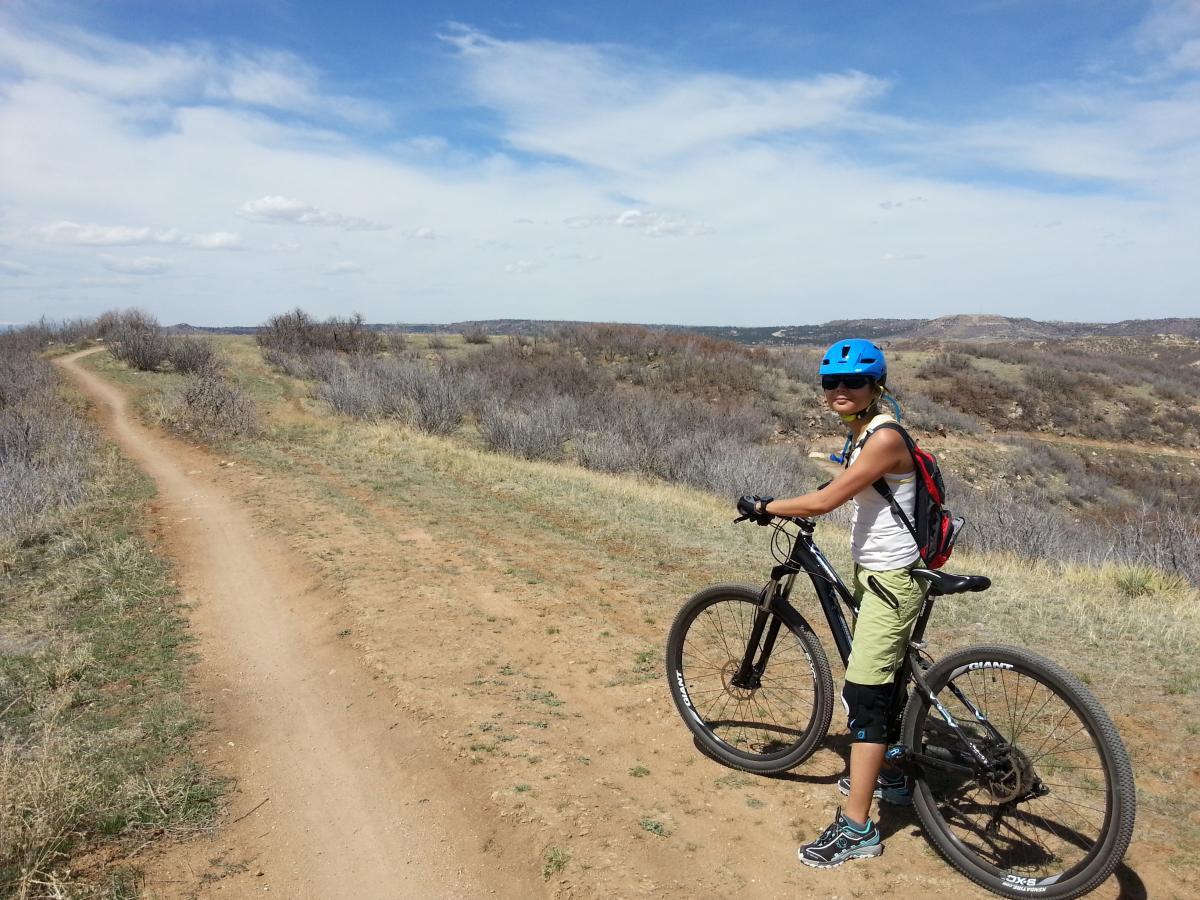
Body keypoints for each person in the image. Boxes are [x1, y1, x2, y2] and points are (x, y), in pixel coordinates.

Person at [740, 338, 923, 868]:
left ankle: (857, 829)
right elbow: (846, 483)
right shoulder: (864, 432)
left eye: (854, 381)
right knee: (885, 681)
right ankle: (891, 772)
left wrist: (767, 505)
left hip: (892, 580)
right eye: (831, 382)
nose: (841, 389)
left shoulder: (884, 437)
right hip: (879, 574)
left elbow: (826, 501)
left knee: (865, 698)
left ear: (876, 386)